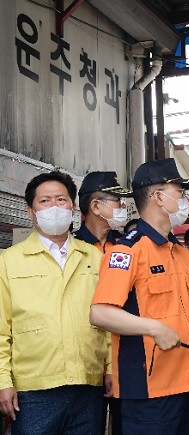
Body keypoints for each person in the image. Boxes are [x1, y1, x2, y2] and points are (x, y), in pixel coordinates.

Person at [89, 158, 189, 433]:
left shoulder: (183, 255)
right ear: (158, 197)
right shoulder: (128, 251)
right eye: (180, 192)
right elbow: (100, 312)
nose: (185, 200)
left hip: (187, 384)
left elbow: (184, 315)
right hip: (148, 391)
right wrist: (154, 328)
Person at [0, 171, 109, 434]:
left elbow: (109, 318)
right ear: (30, 212)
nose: (54, 207)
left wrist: (112, 369)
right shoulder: (9, 261)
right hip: (32, 390)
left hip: (88, 385)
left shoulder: (95, 257)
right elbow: (1, 328)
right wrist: (3, 381)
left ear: (73, 207)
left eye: (61, 199)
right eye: (45, 201)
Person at [73, 171, 132, 435]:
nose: (123, 207)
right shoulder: (71, 248)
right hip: (86, 359)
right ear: (96, 206)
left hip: (125, 357)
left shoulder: (126, 248)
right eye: (117, 201)